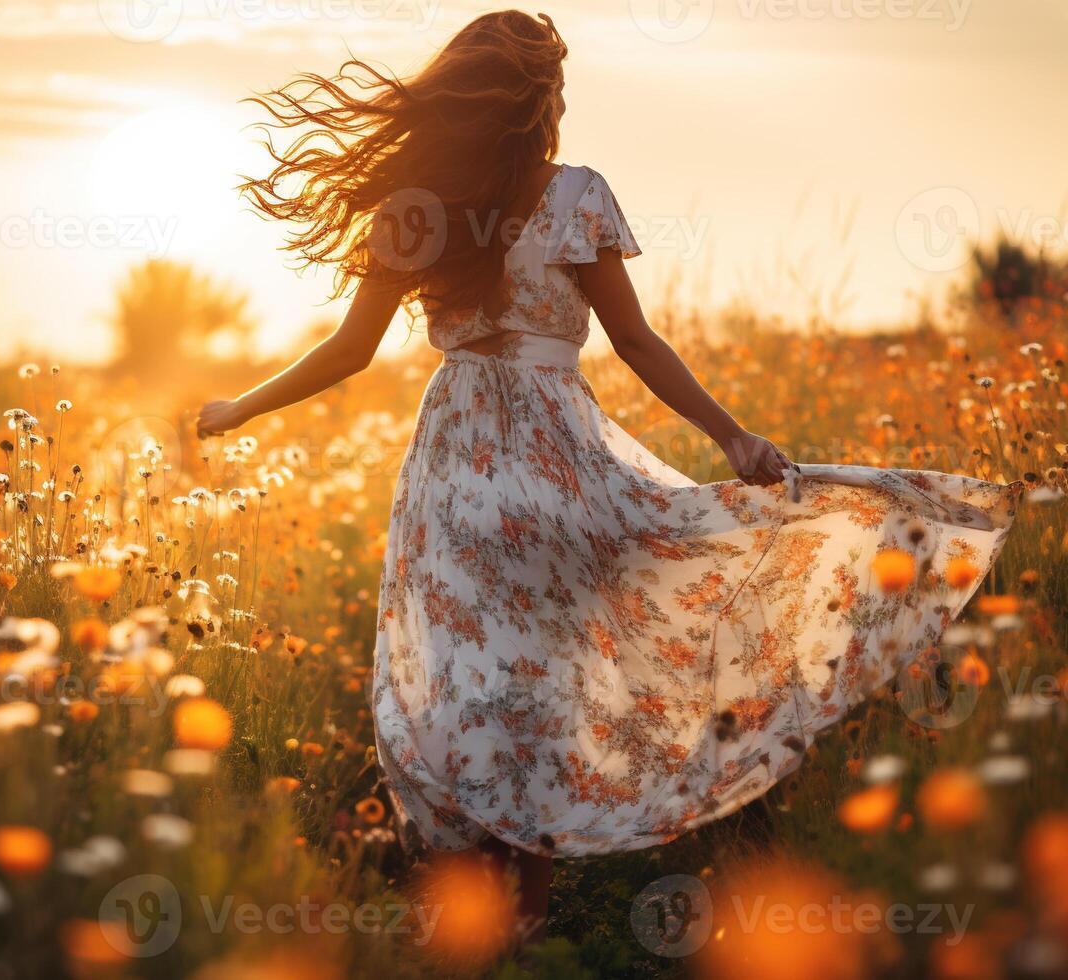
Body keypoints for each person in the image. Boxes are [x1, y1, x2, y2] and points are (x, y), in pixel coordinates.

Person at [197, 9, 1017, 946]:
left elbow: (349, 350)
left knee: (470, 679)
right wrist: (733, 435)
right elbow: (633, 341)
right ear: (541, 99)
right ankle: (527, 921)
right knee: (547, 681)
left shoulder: (416, 205)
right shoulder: (577, 193)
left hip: (458, 468)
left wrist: (241, 407)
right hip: (557, 460)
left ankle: (468, 923)